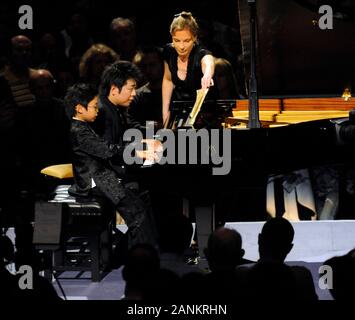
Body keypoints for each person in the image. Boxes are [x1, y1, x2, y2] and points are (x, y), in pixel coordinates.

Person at [64, 83, 160, 251]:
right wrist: (138, 152)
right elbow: (108, 151)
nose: (97, 110)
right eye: (94, 107)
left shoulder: (82, 127)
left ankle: (149, 247)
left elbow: (106, 146)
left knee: (142, 196)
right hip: (96, 181)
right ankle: (139, 256)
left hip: (103, 176)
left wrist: (140, 144)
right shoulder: (78, 131)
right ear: (80, 108)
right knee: (136, 213)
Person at [162, 11, 215, 127]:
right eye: (176, 40)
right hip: (180, 112)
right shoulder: (168, 51)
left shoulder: (200, 53)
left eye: (186, 41)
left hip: (204, 117)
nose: (181, 46)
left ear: (195, 38)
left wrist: (207, 74)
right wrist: (165, 112)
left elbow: (208, 62)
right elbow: (168, 79)